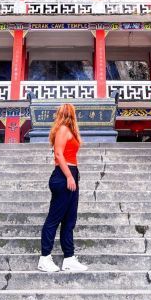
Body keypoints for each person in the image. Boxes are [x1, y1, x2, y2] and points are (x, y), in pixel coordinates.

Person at [38, 103, 88, 272]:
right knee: (54, 219)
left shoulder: (69, 131)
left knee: (69, 220)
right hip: (63, 176)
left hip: (71, 174)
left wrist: (73, 175)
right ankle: (44, 258)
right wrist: (68, 176)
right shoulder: (63, 129)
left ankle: (69, 258)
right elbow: (58, 154)